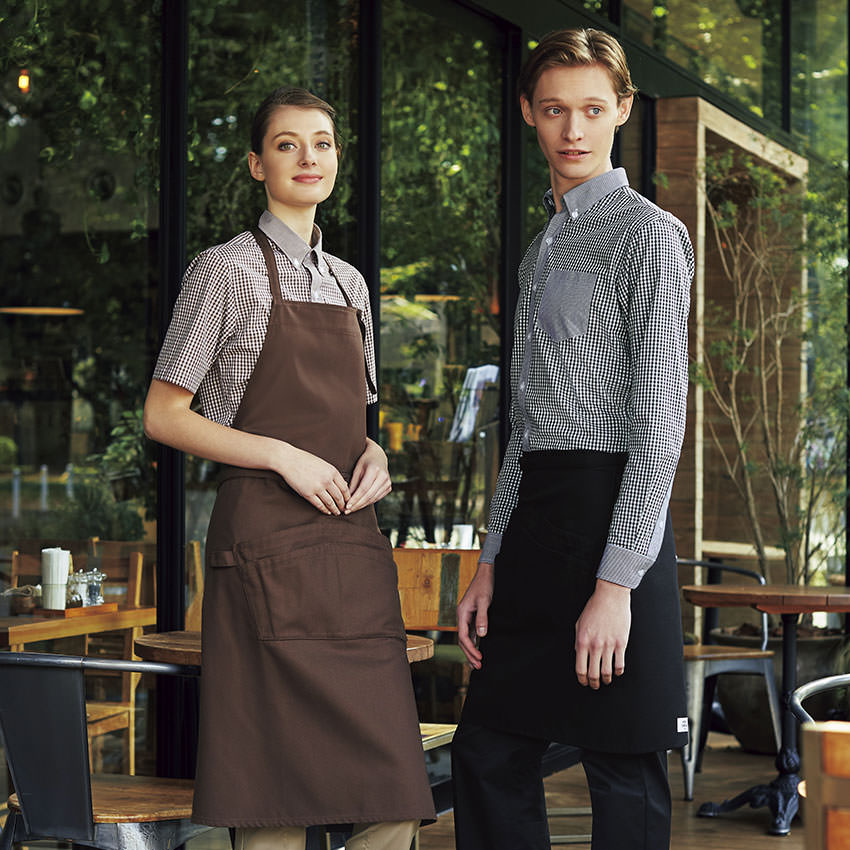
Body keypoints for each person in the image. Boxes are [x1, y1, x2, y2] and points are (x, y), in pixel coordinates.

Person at [144, 86, 435, 850]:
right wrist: (278, 454)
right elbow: (164, 415)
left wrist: (376, 456)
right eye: (286, 144)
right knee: (270, 797)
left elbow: (354, 423)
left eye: (322, 143)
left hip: (350, 553)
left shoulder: (350, 284)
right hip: (264, 551)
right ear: (256, 164)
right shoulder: (223, 271)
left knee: (392, 793)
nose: (308, 157)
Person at [452, 28, 694, 850]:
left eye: (593, 109)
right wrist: (490, 560)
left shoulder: (649, 235)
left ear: (623, 108)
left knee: (621, 766)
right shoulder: (541, 250)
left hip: (613, 517)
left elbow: (660, 422)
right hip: (537, 522)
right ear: (529, 112)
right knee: (488, 753)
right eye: (555, 110)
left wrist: (616, 585)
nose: (573, 130)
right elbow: (524, 426)